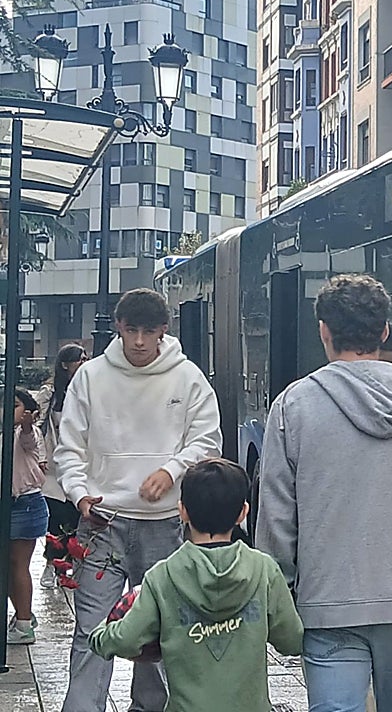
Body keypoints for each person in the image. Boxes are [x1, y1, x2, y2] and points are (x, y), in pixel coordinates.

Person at [256, 274, 392, 712]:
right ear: (385, 331)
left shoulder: (293, 406)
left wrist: (286, 585)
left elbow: (277, 515)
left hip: (329, 602)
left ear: (323, 331)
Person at [53, 288, 222, 712]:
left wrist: (171, 471)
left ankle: (151, 708)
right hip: (102, 523)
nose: (141, 341)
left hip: (166, 524)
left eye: (150, 331)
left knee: (162, 634)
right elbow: (68, 447)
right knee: (91, 632)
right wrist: (79, 494)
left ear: (164, 330)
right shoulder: (91, 377)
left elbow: (207, 439)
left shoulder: (188, 377)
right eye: (132, 331)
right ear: (119, 329)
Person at [89, 458, 304, 712]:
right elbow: (291, 641)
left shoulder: (163, 576)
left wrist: (100, 636)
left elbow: (126, 640)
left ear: (182, 511)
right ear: (242, 513)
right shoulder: (264, 570)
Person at [34, 343, 88, 589]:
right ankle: (51, 564)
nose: (83, 363)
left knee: (76, 517)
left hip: (82, 464)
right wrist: (41, 456)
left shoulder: (89, 391)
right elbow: (39, 427)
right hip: (55, 468)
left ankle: (70, 566)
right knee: (56, 519)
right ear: (65, 364)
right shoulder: (50, 394)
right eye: (79, 359)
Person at [7, 386, 48, 645]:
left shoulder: (27, 433)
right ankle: (24, 614)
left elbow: (28, 439)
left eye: (15, 406)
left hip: (25, 504)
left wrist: (25, 425)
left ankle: (23, 623)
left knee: (17, 565)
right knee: (7, 567)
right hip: (7, 505)